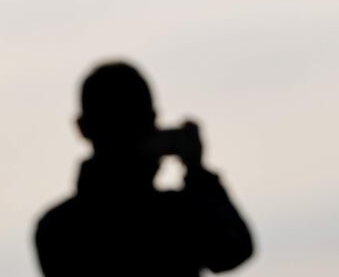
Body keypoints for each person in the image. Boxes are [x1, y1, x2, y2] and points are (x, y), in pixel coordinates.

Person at [35, 62, 253, 276]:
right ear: (151, 121)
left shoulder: (58, 229)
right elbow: (232, 250)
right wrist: (197, 171)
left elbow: (233, 251)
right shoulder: (177, 216)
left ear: (82, 127)